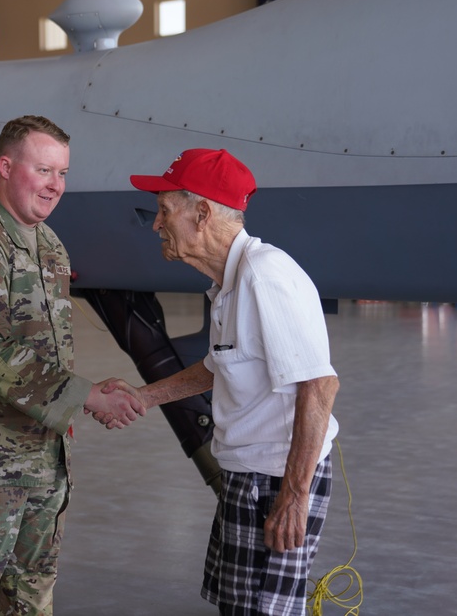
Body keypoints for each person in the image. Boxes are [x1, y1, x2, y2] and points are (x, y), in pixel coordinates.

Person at [0, 115, 146, 615]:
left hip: (43, 464)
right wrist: (84, 395)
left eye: (62, 173)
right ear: (5, 166)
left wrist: (87, 388)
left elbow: (45, 355)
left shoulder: (48, 245)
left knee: (28, 602)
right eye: (44, 170)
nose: (55, 186)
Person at [106, 148, 339, 616]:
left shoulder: (264, 276)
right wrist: (144, 396)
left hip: (277, 479)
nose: (156, 224)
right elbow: (218, 365)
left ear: (203, 213)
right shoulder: (228, 285)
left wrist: (294, 496)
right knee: (237, 607)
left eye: (165, 210)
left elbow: (319, 385)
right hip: (248, 475)